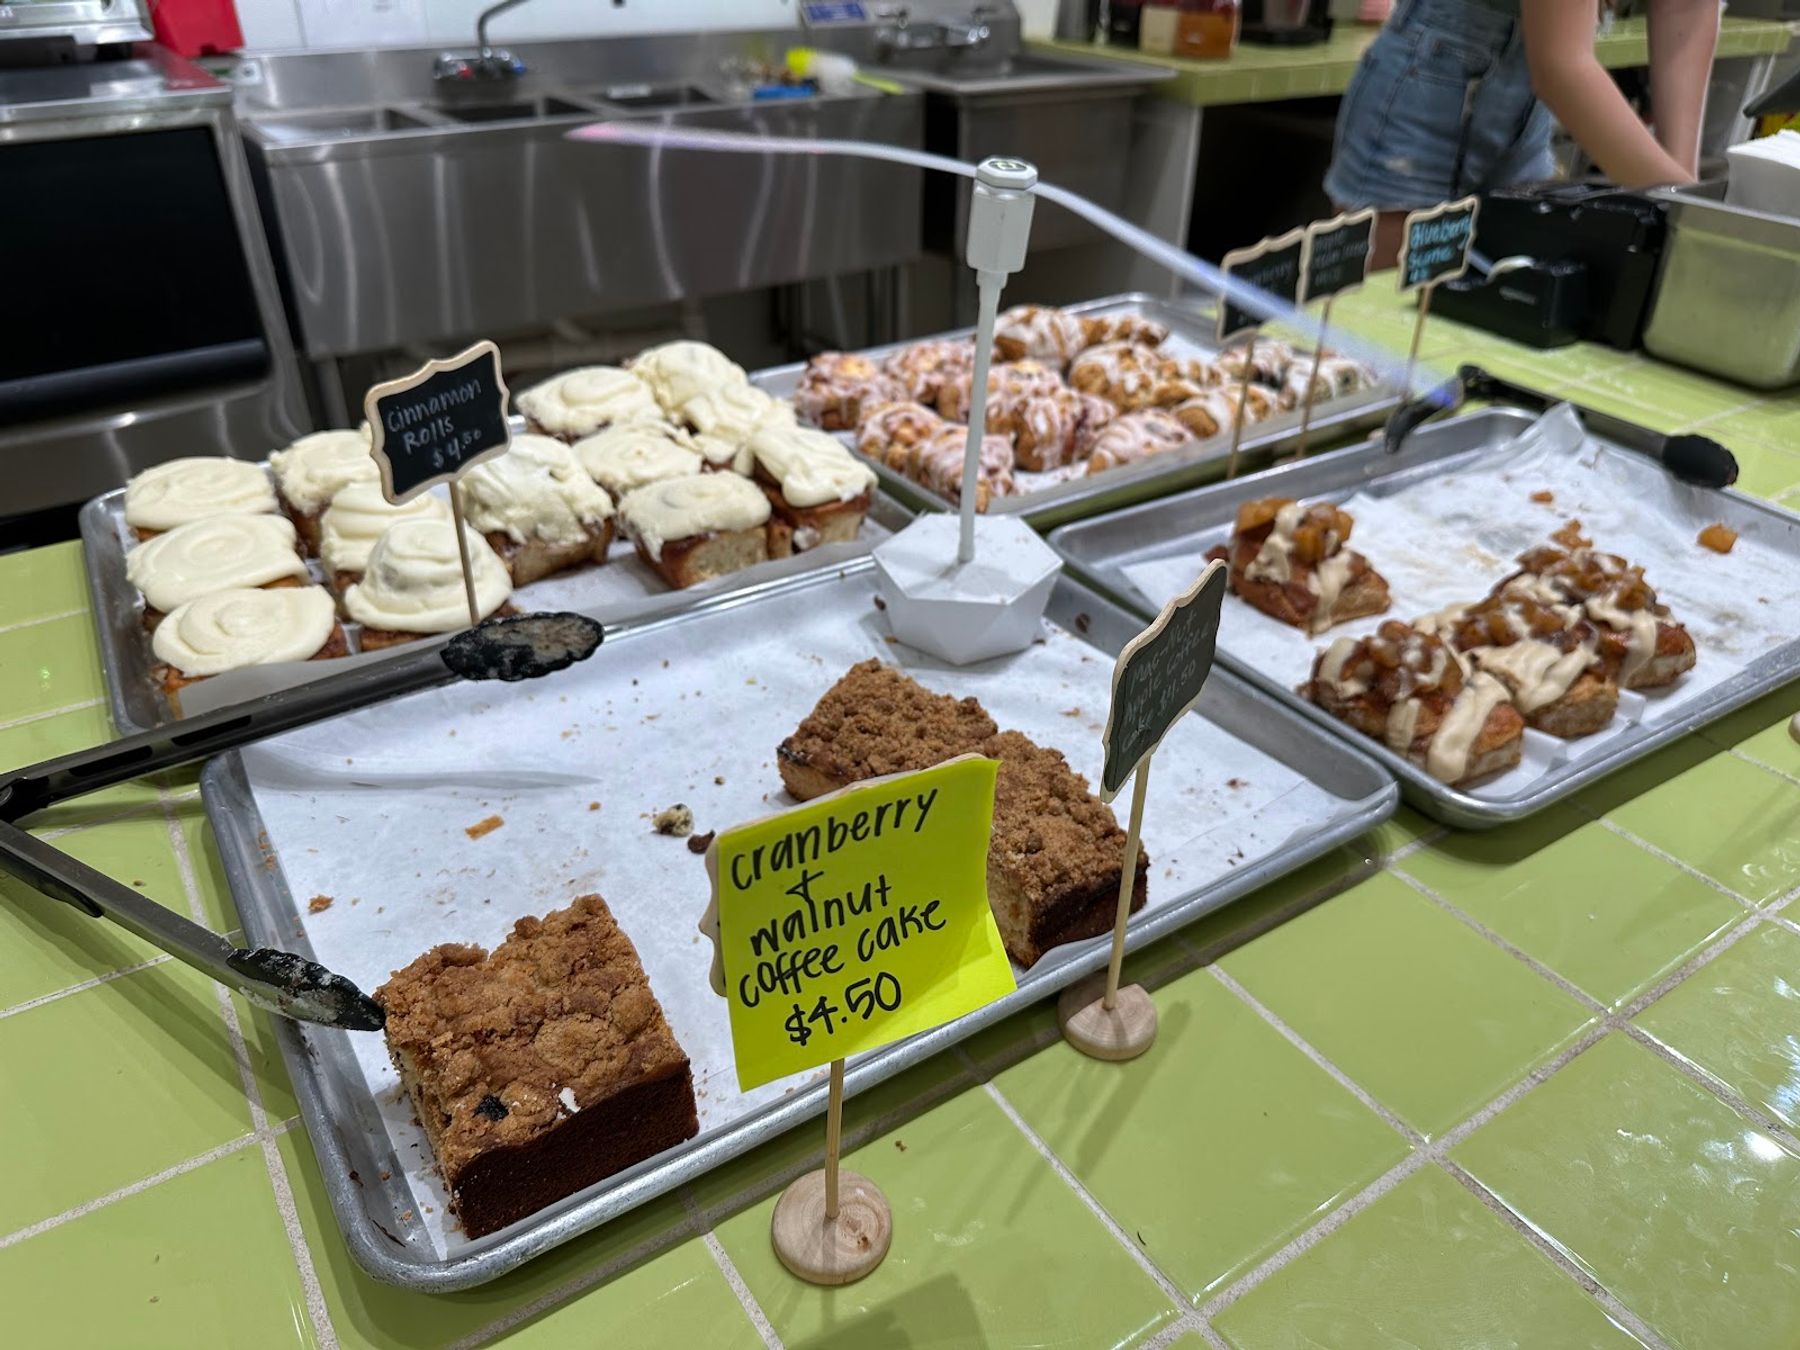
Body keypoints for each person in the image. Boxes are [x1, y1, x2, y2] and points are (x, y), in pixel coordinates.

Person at [1326, 0, 1721, 267]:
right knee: (1376, 330)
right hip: (1429, 90)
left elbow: (1685, 7)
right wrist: (1689, 218)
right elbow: (1560, 68)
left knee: (1498, 330)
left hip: (1525, 112)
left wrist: (1684, 202)